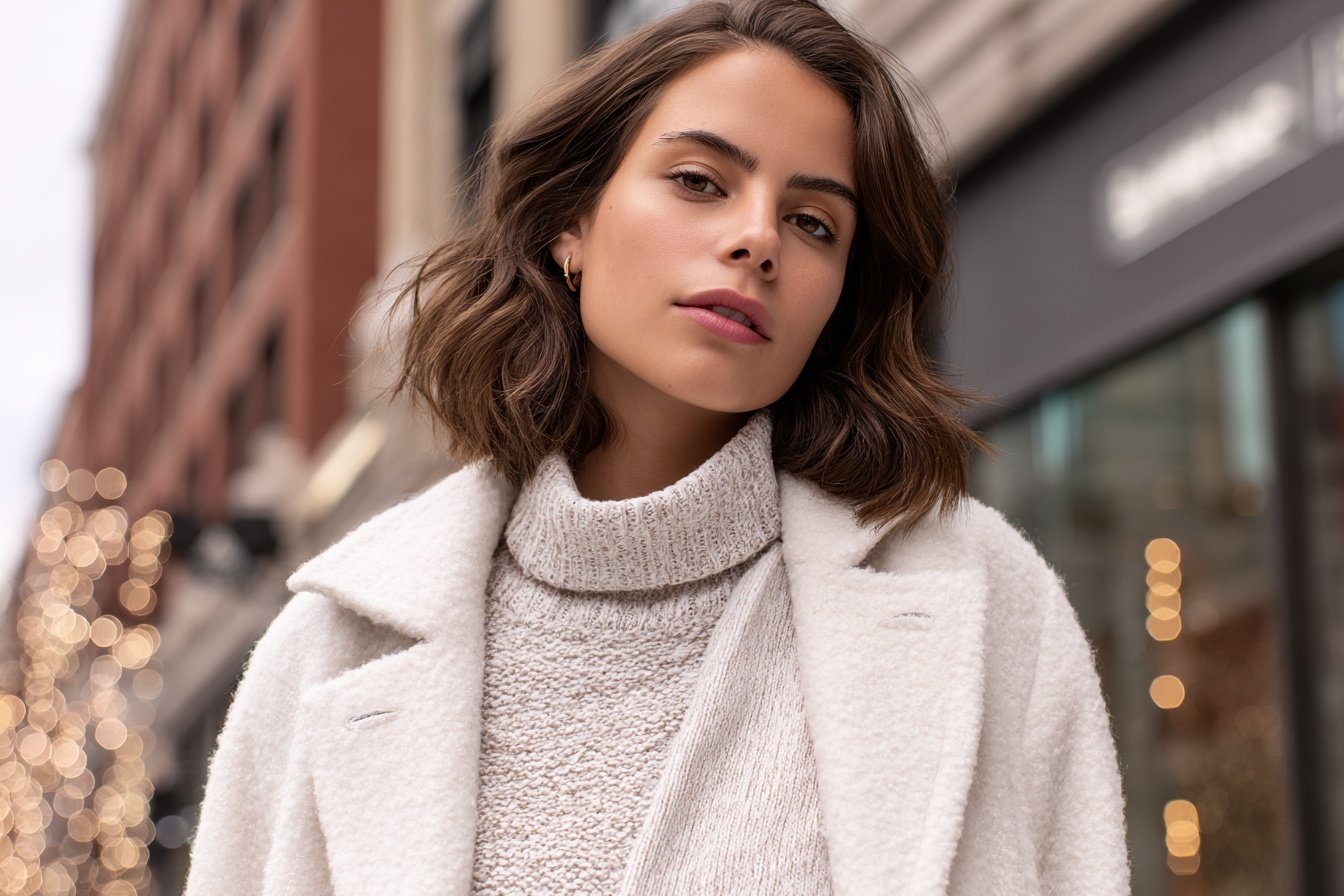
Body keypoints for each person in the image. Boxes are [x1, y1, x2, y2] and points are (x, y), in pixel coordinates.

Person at [184, 1, 1131, 893]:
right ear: (571, 225)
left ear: (839, 296)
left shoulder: (988, 604)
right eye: (698, 181)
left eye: (813, 223)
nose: (758, 239)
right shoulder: (329, 649)